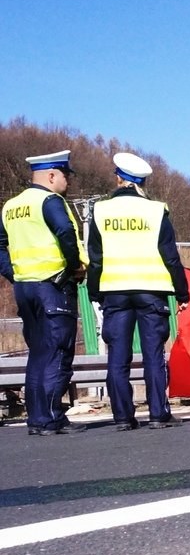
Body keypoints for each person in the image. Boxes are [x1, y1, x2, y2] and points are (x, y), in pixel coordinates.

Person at [87, 152, 190, 430]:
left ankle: (122, 417)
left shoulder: (101, 210)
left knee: (117, 357)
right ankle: (158, 414)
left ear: (119, 178)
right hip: (151, 292)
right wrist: (182, 293)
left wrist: (94, 292)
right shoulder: (156, 211)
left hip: (115, 292)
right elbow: (171, 257)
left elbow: (95, 258)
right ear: (141, 182)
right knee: (153, 355)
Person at [0, 150, 88, 436]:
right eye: (65, 176)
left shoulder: (11, 206)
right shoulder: (50, 201)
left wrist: (14, 274)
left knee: (38, 354)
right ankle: (51, 417)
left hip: (25, 288)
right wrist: (74, 265)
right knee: (57, 351)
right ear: (51, 175)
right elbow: (64, 231)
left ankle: (37, 418)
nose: (68, 182)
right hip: (53, 285)